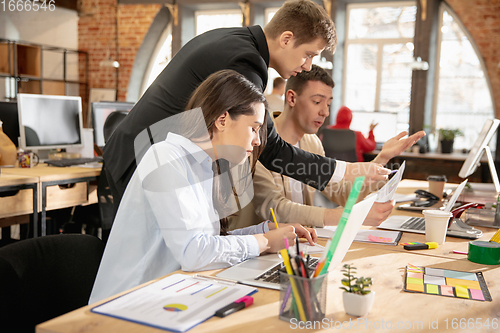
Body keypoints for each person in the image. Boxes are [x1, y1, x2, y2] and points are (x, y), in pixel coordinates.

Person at [103, 0, 391, 216]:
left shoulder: (236, 41)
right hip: (141, 161)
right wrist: (345, 171)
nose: (308, 66)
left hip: (140, 152)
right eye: (308, 54)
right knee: (149, 269)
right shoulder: (246, 63)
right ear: (286, 38)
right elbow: (269, 148)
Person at [89, 70, 318, 304]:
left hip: (171, 290)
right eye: (254, 128)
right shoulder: (166, 158)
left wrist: (263, 231)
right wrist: (266, 242)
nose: (258, 140)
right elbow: (193, 252)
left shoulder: (204, 164)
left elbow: (209, 241)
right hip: (130, 303)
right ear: (222, 120)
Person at [229, 65, 425, 230]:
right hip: (258, 250)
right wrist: (347, 217)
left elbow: (339, 192)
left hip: (299, 246)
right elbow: (276, 209)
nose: (324, 112)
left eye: (328, 104)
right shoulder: (258, 140)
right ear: (291, 98)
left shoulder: (312, 142)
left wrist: (381, 159)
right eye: (317, 102)